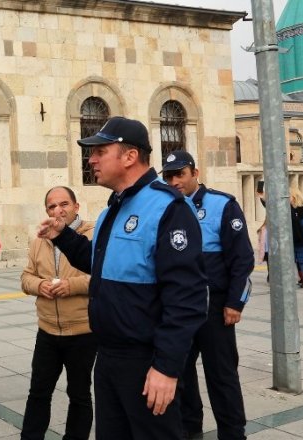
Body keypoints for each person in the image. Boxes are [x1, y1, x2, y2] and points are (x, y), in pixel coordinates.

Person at [39, 116, 207, 439]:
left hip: (147, 363)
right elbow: (99, 262)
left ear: (130, 156)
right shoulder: (112, 210)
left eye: (100, 151)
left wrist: (167, 367)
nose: (92, 159)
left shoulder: (169, 208)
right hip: (108, 358)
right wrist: (63, 235)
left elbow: (187, 297)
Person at [162, 150, 253, 440]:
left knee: (222, 376)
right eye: (169, 176)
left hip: (214, 309)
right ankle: (191, 429)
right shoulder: (165, 207)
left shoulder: (222, 204)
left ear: (195, 173)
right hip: (179, 309)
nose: (175, 181)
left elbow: (242, 259)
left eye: (180, 174)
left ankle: (232, 432)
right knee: (180, 373)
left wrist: (234, 302)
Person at [19, 186, 96, 440]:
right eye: (52, 206)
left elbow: (104, 275)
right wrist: (39, 285)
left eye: (64, 204)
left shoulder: (94, 234)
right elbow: (26, 277)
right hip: (48, 330)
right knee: (38, 392)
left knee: (80, 394)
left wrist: (71, 286)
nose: (58, 210)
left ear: (76, 206)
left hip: (82, 331)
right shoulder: (40, 239)